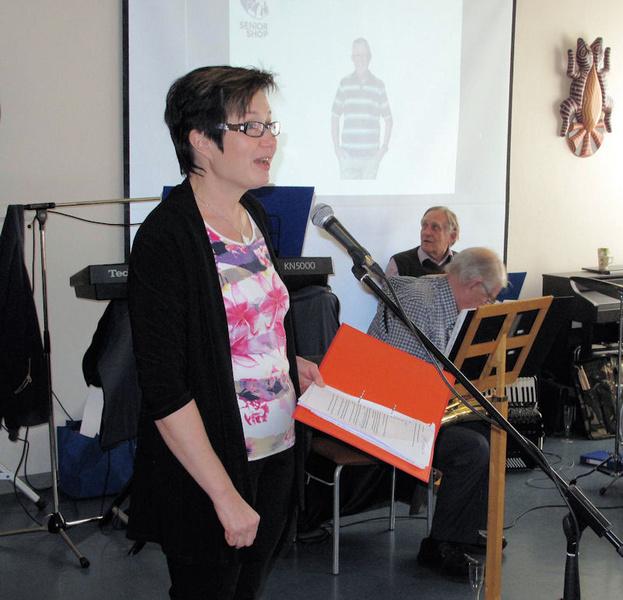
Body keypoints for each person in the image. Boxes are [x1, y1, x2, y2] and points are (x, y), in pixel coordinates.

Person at [127, 66, 323, 600]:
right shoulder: (167, 239)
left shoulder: (251, 214)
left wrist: (288, 363)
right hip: (211, 470)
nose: (270, 140)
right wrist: (224, 495)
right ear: (200, 141)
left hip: (276, 451)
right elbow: (166, 390)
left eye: (269, 125)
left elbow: (246, 328)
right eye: (251, 126)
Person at [368, 247, 507, 579]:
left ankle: (464, 530)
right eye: (489, 297)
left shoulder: (442, 294)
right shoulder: (422, 303)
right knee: (471, 449)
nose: (487, 304)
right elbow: (401, 381)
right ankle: (439, 545)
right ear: (473, 284)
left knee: (491, 429)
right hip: (385, 413)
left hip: (412, 405)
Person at [331, 38, 392, 179]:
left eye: (364, 55)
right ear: (352, 58)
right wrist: (336, 148)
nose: (360, 59)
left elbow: (388, 119)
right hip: (348, 158)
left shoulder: (379, 85)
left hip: (371, 159)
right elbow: (334, 116)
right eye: (357, 55)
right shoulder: (344, 84)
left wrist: (383, 149)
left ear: (369, 57)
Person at [386, 206, 460, 277]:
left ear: (452, 236)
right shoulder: (399, 264)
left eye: (435, 227)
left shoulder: (462, 264)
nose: (426, 233)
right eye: (424, 226)